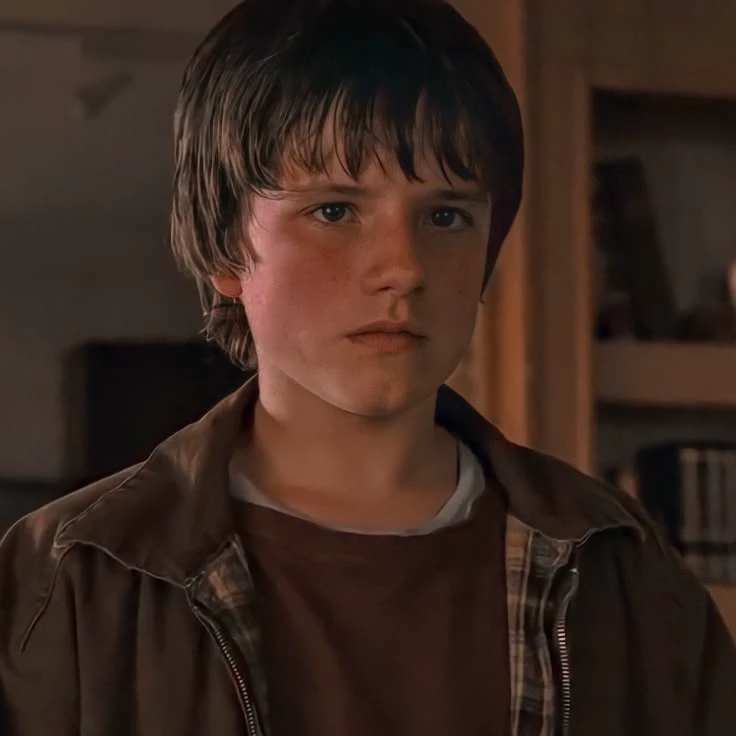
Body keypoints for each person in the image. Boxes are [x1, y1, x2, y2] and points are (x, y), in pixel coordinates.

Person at [1, 0, 734, 734]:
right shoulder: (64, 587)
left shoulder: (623, 574)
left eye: (445, 216)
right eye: (334, 211)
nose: (404, 268)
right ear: (227, 247)